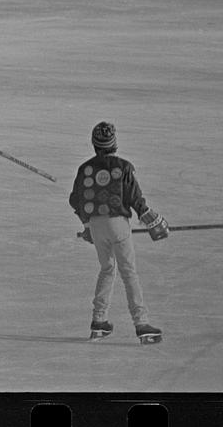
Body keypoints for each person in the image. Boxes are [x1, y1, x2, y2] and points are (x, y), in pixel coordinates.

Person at [68, 121, 168, 344]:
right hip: (118, 224)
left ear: (94, 145)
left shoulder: (85, 168)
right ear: (114, 144)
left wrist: (87, 226)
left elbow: (75, 199)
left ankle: (99, 321)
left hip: (96, 225)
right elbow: (135, 198)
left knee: (107, 269)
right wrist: (152, 220)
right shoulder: (123, 167)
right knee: (128, 272)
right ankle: (141, 324)